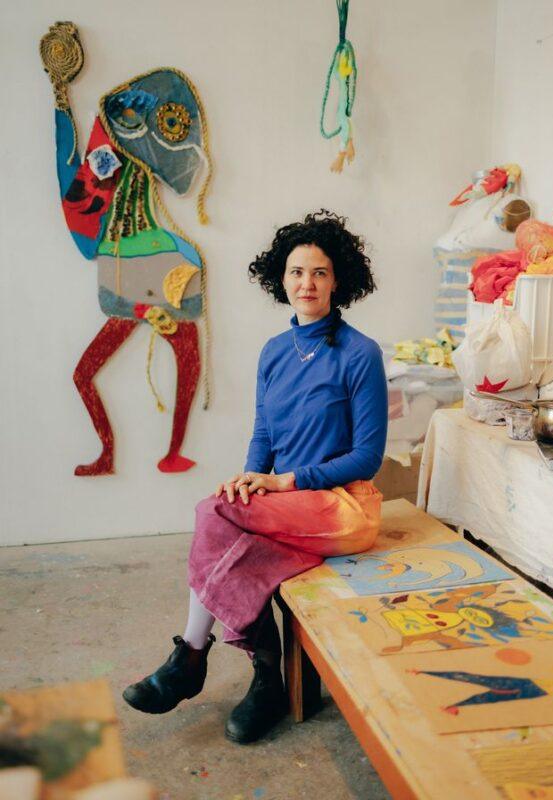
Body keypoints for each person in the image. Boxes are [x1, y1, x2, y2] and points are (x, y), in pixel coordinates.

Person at [123, 210, 388, 743]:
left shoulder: (361, 354)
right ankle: (269, 681)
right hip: (290, 510)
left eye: (319, 272)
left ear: (339, 280)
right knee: (230, 525)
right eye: (296, 271)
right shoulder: (273, 352)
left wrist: (283, 483)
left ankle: (192, 658)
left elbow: (368, 457)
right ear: (280, 279)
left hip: (342, 506)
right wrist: (250, 478)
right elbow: (264, 436)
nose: (306, 283)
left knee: (209, 512)